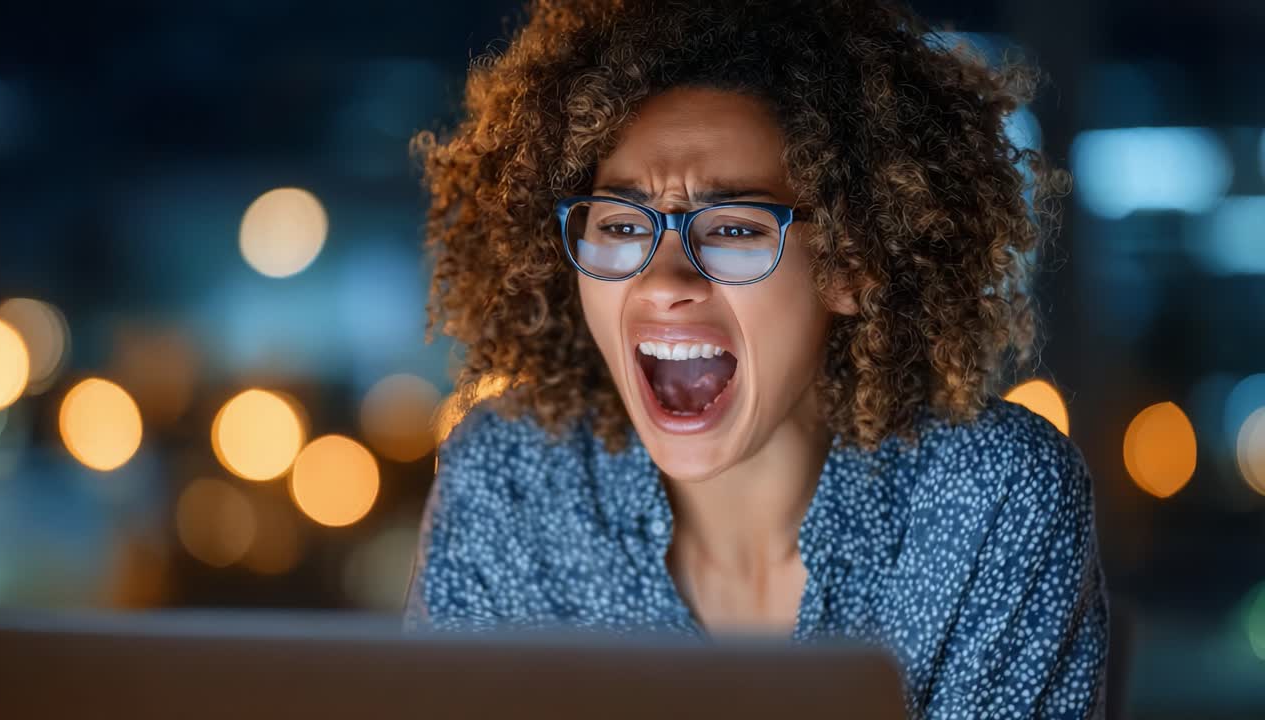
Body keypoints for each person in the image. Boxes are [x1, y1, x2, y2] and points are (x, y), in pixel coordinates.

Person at [403, 0, 1109, 716]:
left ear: (852, 263)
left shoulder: (991, 496)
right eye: (619, 223)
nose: (663, 280)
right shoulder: (507, 480)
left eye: (734, 227)